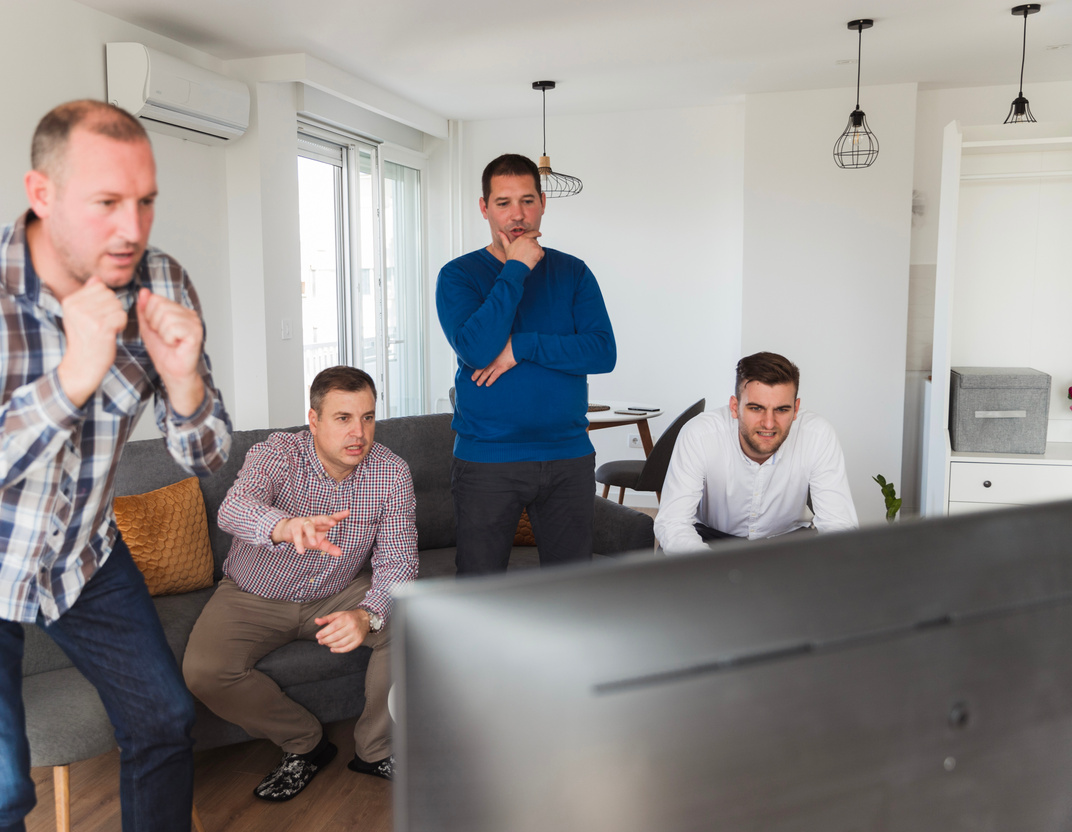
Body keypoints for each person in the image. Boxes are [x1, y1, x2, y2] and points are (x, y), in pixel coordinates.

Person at [0, 100, 232, 831]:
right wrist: (72, 377)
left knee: (165, 718)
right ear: (42, 195)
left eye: (145, 201)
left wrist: (188, 381)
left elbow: (208, 454)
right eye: (106, 203)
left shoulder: (162, 283)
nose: (132, 229)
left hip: (80, 551)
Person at [182, 366, 417, 802]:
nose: (358, 432)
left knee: (408, 623)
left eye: (367, 417)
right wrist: (284, 526)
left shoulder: (392, 472)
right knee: (204, 671)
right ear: (313, 420)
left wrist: (368, 615)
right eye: (343, 418)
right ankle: (305, 743)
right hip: (254, 595)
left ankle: (373, 749)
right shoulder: (277, 453)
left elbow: (399, 559)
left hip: (338, 589)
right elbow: (234, 508)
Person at [435, 153, 616, 576]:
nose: (517, 215)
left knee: (570, 589)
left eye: (527, 200)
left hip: (567, 456)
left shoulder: (573, 273)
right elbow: (477, 350)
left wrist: (522, 346)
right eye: (503, 202)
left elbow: (601, 351)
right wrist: (516, 267)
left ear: (543, 202)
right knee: (481, 591)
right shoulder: (458, 276)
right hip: (487, 458)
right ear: (484, 207)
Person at [652, 352, 858, 554]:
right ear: (735, 407)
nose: (769, 423)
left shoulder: (818, 435)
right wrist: (712, 569)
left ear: (796, 409)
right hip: (710, 538)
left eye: (782, 410)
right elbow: (673, 522)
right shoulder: (700, 434)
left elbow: (838, 524)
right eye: (756, 408)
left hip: (787, 542)